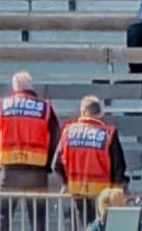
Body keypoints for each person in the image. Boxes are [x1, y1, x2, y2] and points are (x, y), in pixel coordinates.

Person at [0, 71, 59, 231]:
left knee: (3, 217)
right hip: (37, 170)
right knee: (38, 220)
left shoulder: (4, 105)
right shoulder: (44, 107)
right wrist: (48, 164)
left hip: (9, 169)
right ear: (30, 86)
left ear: (15, 87)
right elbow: (56, 134)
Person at [54, 95, 128, 225]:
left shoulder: (68, 132)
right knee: (102, 225)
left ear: (82, 112)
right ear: (100, 113)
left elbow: (57, 164)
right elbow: (119, 165)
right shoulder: (109, 133)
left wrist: (68, 182)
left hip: (77, 189)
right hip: (103, 192)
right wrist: (116, 190)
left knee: (82, 225)